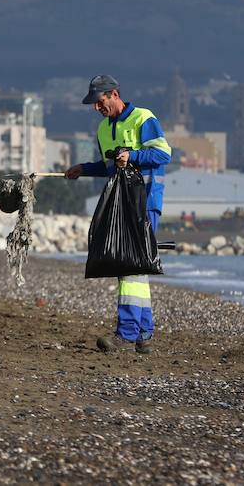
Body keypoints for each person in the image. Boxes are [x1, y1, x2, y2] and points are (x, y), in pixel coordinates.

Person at [65, 74, 172, 354]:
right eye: (94, 105)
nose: (97, 108)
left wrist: (132, 156)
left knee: (129, 264)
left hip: (145, 199)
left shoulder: (142, 118)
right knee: (137, 262)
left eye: (99, 102)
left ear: (114, 94)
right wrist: (84, 169)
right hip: (121, 201)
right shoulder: (103, 129)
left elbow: (163, 154)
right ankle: (144, 335)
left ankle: (125, 335)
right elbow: (108, 167)